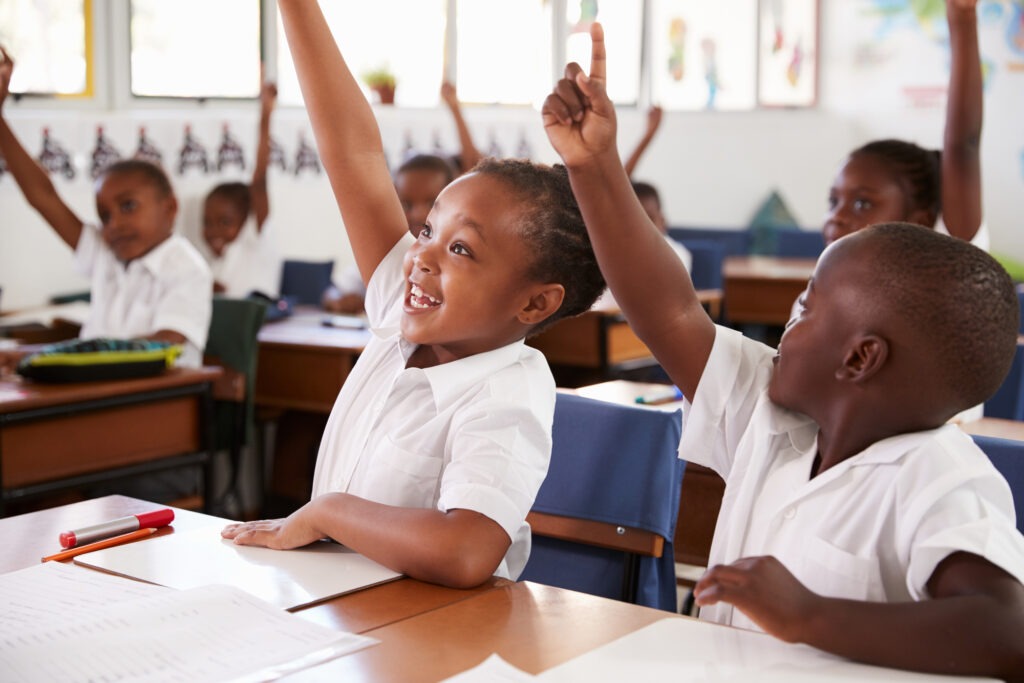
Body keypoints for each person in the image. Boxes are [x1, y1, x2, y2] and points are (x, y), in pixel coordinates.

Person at [542, 22, 1024, 680]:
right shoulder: (771, 419)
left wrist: (810, 614)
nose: (783, 328)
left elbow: (1006, 627)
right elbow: (669, 308)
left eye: (805, 308)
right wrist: (595, 166)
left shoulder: (937, 475)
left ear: (859, 360)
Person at [222, 0, 604, 589]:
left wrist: (329, 510)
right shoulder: (397, 316)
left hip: (436, 646)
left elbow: (466, 551)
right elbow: (353, 152)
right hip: (345, 616)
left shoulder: (509, 391)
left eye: (461, 250)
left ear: (532, 304)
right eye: (427, 230)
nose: (420, 254)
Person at [0, 47, 211, 368]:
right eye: (104, 215)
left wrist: (55, 356)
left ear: (170, 208)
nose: (113, 224)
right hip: (98, 392)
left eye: (128, 206)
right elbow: (43, 198)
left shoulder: (186, 269)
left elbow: (163, 345)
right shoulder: (106, 253)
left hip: (159, 402)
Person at [825, 0, 984, 248]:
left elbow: (963, 145)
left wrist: (962, 17)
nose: (837, 217)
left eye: (862, 204)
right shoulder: (830, 281)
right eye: (833, 202)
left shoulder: (947, 257)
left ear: (920, 223)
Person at [203, 80, 283, 298]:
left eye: (225, 222)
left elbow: (258, 182)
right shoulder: (217, 263)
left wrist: (266, 116)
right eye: (207, 223)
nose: (214, 232)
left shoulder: (255, 240)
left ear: (248, 218)